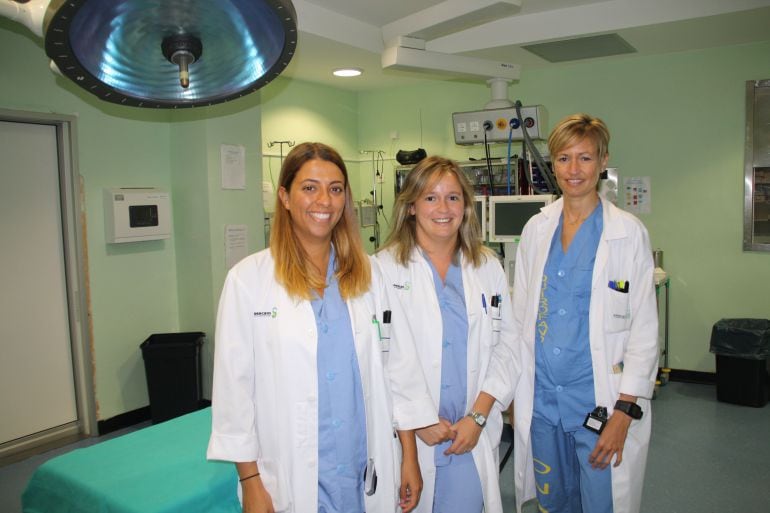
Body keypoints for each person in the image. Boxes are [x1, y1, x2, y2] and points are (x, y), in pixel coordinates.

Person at [207, 142, 437, 513]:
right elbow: (234, 392)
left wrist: (408, 456)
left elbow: (399, 370)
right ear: (285, 197)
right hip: (291, 475)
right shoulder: (248, 281)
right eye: (310, 188)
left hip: (364, 465)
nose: (324, 201)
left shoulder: (370, 274)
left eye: (335, 189)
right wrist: (250, 482)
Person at [510, 114, 659, 513]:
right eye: (563, 158)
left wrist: (624, 412)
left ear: (603, 161)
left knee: (601, 502)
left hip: (600, 401)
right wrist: (515, 394)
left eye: (585, 158)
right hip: (543, 400)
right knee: (553, 501)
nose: (573, 169)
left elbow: (644, 330)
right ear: (553, 163)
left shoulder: (628, 233)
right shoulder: (536, 229)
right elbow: (520, 319)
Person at [375, 156, 517, 513]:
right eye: (430, 198)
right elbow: (380, 361)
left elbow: (507, 347)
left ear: (465, 206)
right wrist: (417, 421)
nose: (443, 208)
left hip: (467, 437)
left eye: (453, 197)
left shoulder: (487, 267)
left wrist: (478, 417)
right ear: (411, 206)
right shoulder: (382, 270)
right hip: (408, 438)